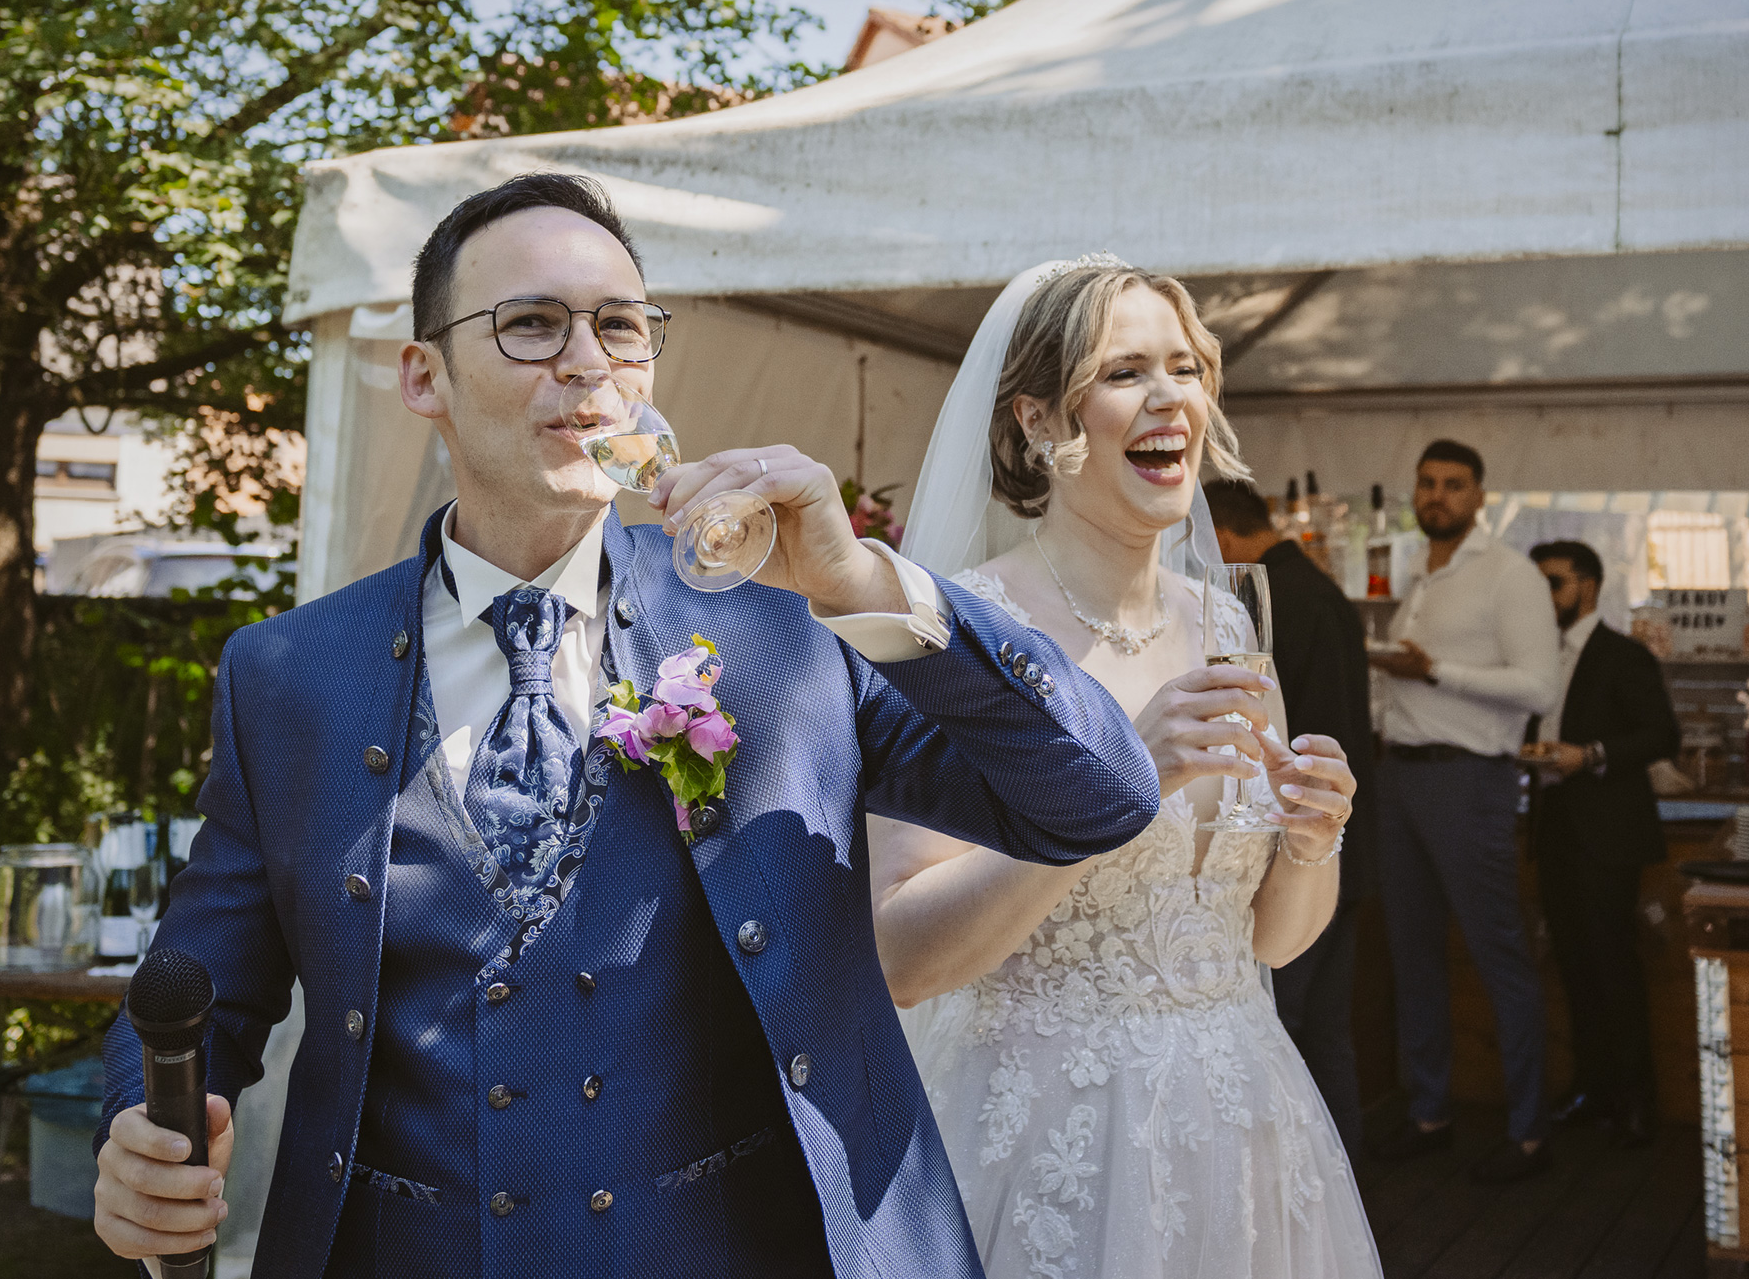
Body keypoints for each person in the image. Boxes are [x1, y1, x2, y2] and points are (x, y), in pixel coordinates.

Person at [90, 175, 1164, 1278]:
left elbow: (1099, 797)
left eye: (618, 326)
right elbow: (188, 986)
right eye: (531, 323)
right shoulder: (288, 672)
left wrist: (868, 581)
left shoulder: (790, 625)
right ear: (425, 376)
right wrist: (141, 1126)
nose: (588, 361)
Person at [870, 258, 1383, 1279]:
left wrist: (1312, 841)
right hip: (1054, 1144)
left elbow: (1269, 942)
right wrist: (1112, 792)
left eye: (1185, 367)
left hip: (1246, 1130)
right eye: (1124, 371)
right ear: (1039, 421)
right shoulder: (961, 633)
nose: (1169, 396)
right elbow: (901, 955)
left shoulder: (1227, 621)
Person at [1366, 439, 1560, 1184]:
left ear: (1480, 496)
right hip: (1401, 778)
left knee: (1498, 955)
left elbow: (1539, 688)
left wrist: (1433, 670)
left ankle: (1530, 1131)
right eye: (1427, 483)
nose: (1437, 495)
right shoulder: (1421, 571)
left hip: (1470, 781)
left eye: (1453, 485)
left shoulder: (1510, 575)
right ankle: (1429, 1112)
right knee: (1412, 956)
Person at [1206, 476, 1377, 1162]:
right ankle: (1344, 1174)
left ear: (1218, 538)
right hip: (1339, 840)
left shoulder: (1259, 603)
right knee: (1328, 1030)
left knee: (1291, 1025)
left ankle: (1304, 1169)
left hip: (1295, 849)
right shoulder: (1324, 591)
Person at [1523, 540, 1679, 1149]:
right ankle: (1592, 1088)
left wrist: (1589, 756)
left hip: (1609, 827)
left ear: (1587, 587)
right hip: (1554, 822)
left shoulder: (1623, 655)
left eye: (1553, 585)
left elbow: (1663, 734)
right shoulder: (1537, 655)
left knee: (1613, 963)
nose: (1543, 598)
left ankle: (1637, 1100)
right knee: (1572, 962)